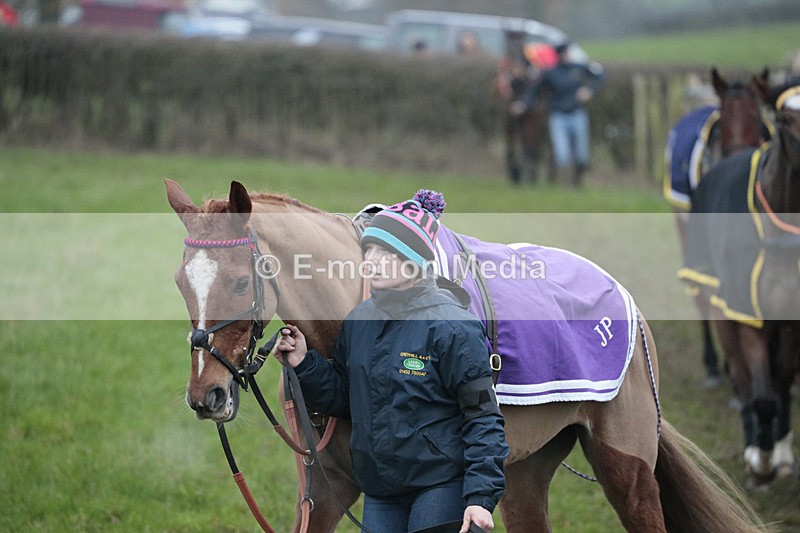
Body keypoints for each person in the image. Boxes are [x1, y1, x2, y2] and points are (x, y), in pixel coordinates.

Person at [275, 190, 508, 533]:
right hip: (381, 491)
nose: (372, 261)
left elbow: (483, 418)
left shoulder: (453, 327)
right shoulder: (358, 322)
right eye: (369, 251)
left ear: (414, 261)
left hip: (440, 486)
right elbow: (345, 398)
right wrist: (304, 362)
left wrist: (480, 498)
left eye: (386, 252)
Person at [513, 41, 605, 187]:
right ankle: (565, 184)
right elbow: (535, 92)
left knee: (582, 156)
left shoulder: (579, 68)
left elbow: (600, 75)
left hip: (577, 114)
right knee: (562, 155)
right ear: (560, 55)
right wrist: (523, 104)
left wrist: (590, 90)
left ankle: (577, 182)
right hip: (558, 116)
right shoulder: (550, 73)